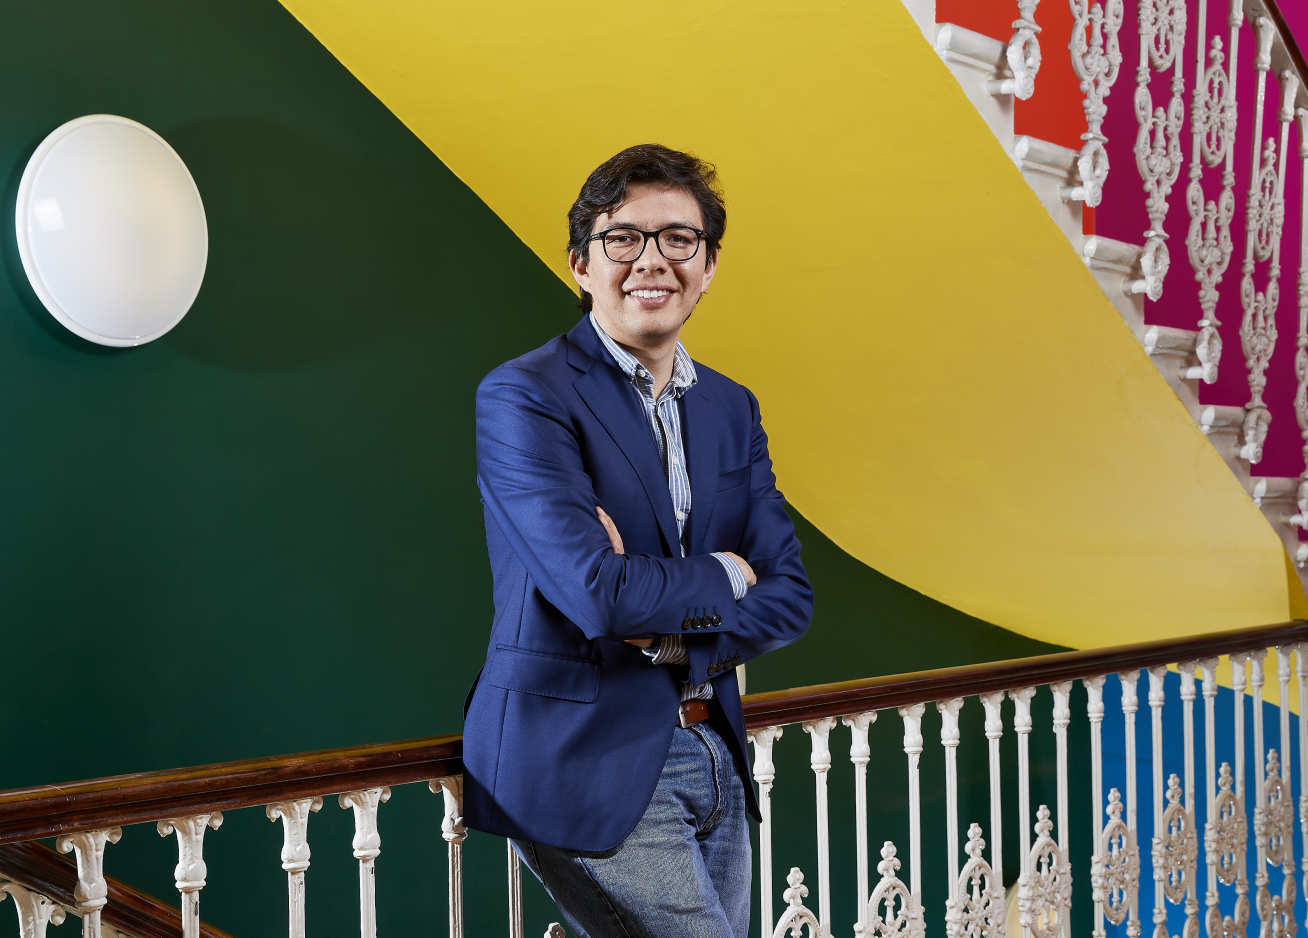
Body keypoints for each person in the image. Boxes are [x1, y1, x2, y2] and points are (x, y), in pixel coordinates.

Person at [463, 142, 813, 937]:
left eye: (678, 239)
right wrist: (730, 571)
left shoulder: (731, 407)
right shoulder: (525, 395)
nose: (652, 260)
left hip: (715, 747)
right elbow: (598, 593)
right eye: (623, 238)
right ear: (581, 264)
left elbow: (791, 595)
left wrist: (667, 637)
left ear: (708, 265)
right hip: (587, 758)